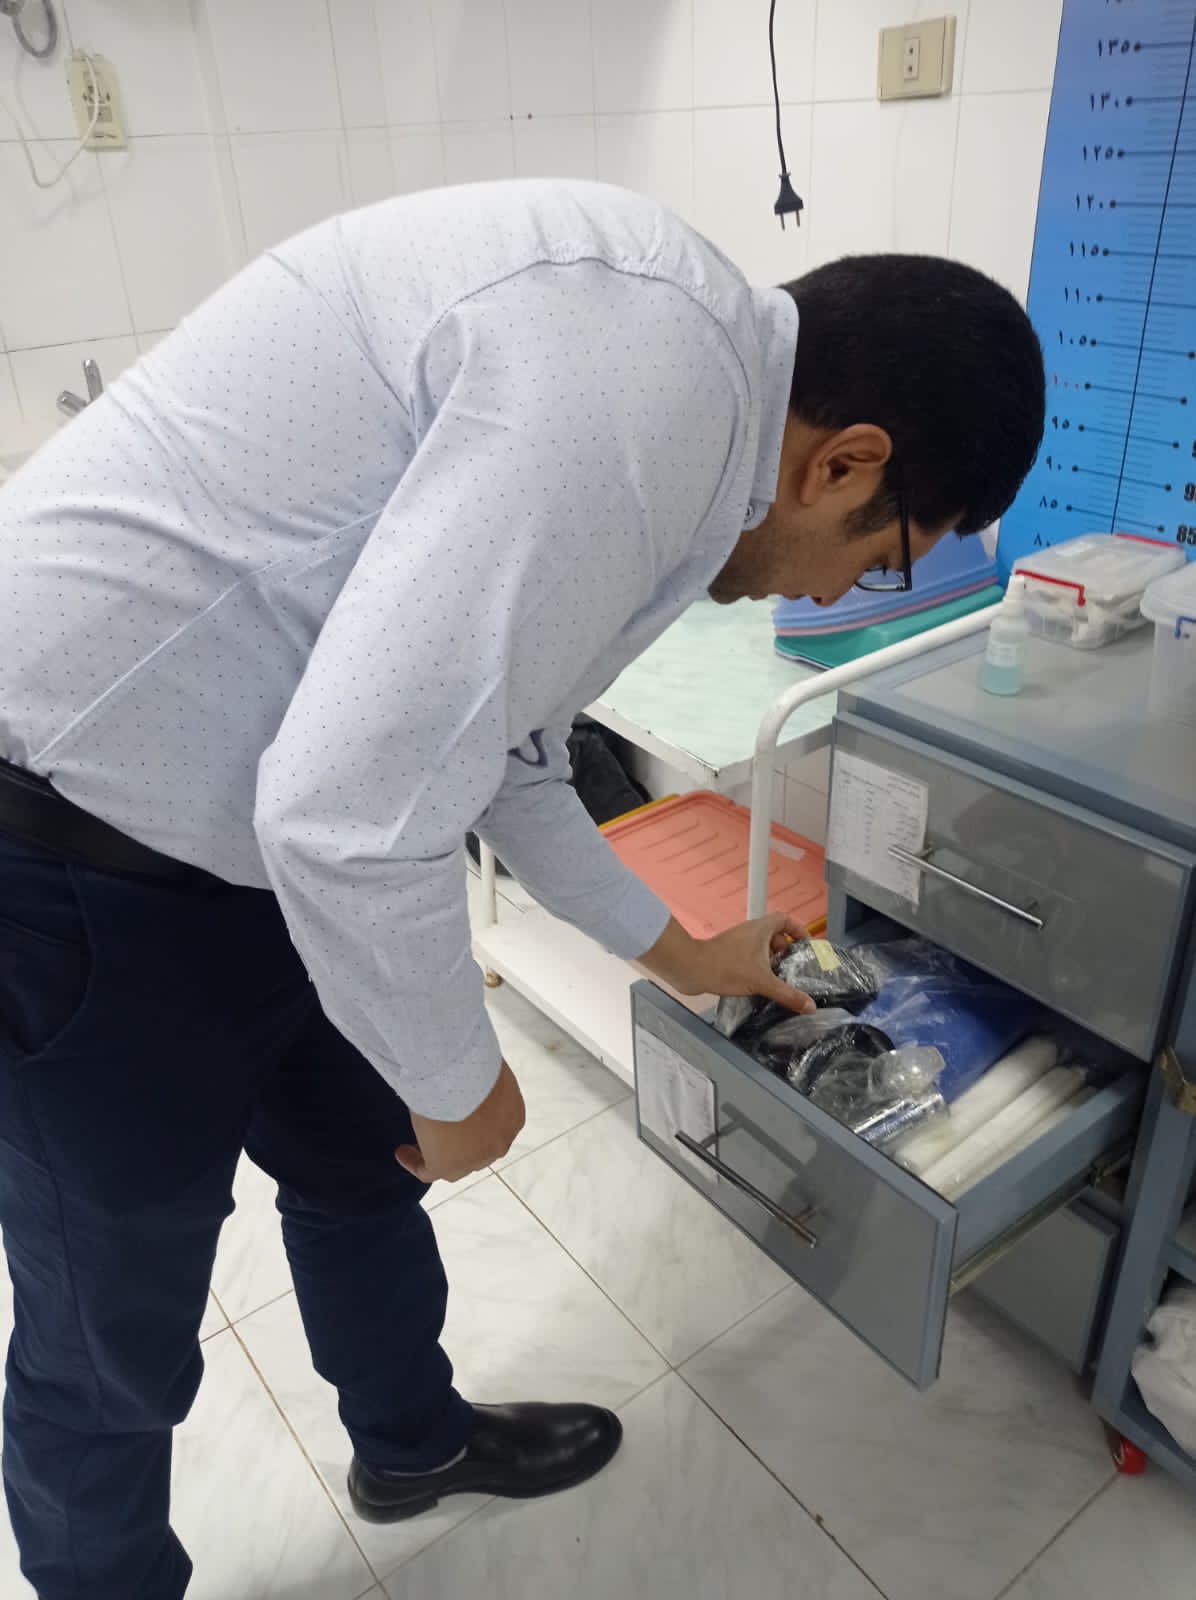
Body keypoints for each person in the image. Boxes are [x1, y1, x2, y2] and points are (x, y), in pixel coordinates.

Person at [0, 178, 1044, 1599]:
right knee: (108, 1328)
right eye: (882, 561)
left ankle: (411, 1444)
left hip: (257, 839)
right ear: (847, 464)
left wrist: (684, 952)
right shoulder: (639, 404)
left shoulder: (689, 396)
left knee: (365, 1169)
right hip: (79, 849)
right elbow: (347, 818)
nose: (837, 590)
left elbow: (503, 753)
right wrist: (461, 1080)